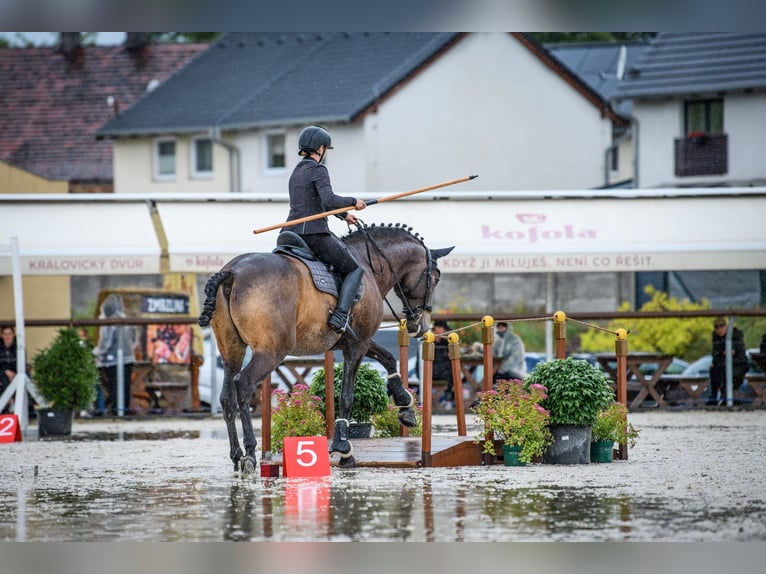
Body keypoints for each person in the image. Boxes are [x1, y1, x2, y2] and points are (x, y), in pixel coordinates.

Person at [280, 125, 366, 334]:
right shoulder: (319, 170)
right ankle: (340, 317)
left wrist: (344, 215)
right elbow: (329, 199)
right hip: (314, 234)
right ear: (320, 147)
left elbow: (318, 203)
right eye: (325, 147)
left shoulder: (297, 172)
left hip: (290, 232)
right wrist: (353, 201)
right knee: (355, 269)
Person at [92, 294, 137, 415]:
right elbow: (133, 341)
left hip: (113, 361)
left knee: (114, 389)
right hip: (128, 359)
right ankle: (124, 412)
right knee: (125, 388)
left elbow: (105, 343)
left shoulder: (108, 321)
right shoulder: (127, 320)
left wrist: (95, 353)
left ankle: (117, 413)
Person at [708, 316, 748, 406]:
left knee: (725, 373)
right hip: (723, 365)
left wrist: (731, 352)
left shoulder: (735, 335)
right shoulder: (716, 338)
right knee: (714, 370)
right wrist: (715, 361)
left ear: (726, 326)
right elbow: (716, 353)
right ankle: (714, 397)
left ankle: (727, 397)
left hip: (738, 365)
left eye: (722, 326)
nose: (719, 329)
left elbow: (737, 352)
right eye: (717, 327)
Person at [432, 320, 455, 410]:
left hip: (442, 370)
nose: (445, 331)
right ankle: (446, 400)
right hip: (432, 371)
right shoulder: (428, 339)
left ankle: (448, 399)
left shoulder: (446, 341)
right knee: (451, 374)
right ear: (437, 328)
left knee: (453, 373)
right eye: (443, 329)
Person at [0, 325, 18, 414]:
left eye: (10, 334)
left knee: (25, 377)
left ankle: (29, 410)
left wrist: (14, 373)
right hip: (2, 374)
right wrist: (5, 372)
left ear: (13, 335)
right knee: (3, 377)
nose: (7, 336)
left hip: (15, 374)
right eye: (5, 334)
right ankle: (7, 404)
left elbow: (21, 364)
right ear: (1, 335)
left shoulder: (19, 347)